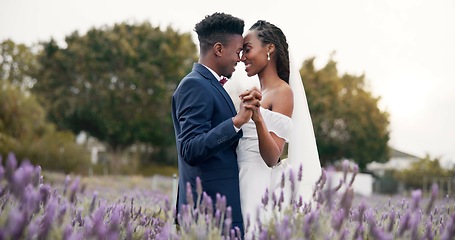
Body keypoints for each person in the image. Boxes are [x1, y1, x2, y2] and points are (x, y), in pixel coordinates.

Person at [171, 12, 261, 236]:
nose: (240, 59)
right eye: (238, 52)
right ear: (218, 49)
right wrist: (237, 121)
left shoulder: (210, 85)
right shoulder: (195, 85)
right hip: (207, 212)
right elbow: (190, 149)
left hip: (216, 212)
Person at [232, 20, 322, 236]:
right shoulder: (255, 91)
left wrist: (258, 118)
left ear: (269, 48)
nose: (242, 57)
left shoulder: (283, 92)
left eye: (247, 49)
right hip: (239, 176)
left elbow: (273, 157)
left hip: (257, 182)